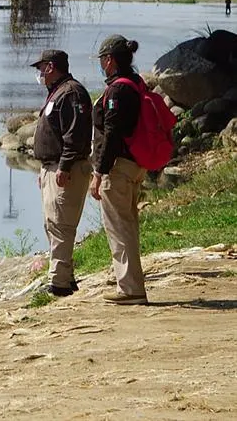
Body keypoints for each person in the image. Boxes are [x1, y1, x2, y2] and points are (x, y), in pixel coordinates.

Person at [89, 35, 148, 305]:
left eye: (102, 60)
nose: (101, 65)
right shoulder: (136, 83)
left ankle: (131, 289)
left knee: (119, 228)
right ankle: (129, 282)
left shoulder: (117, 91)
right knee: (128, 225)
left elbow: (112, 133)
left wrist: (99, 173)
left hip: (119, 167)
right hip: (136, 164)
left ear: (110, 60)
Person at [30, 49, 93, 296]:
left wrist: (64, 166)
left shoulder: (71, 93)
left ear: (51, 67)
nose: (39, 74)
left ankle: (59, 283)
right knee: (53, 224)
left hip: (65, 169)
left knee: (61, 225)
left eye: (41, 68)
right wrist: (44, 168)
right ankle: (65, 277)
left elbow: (75, 136)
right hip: (51, 168)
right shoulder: (57, 93)